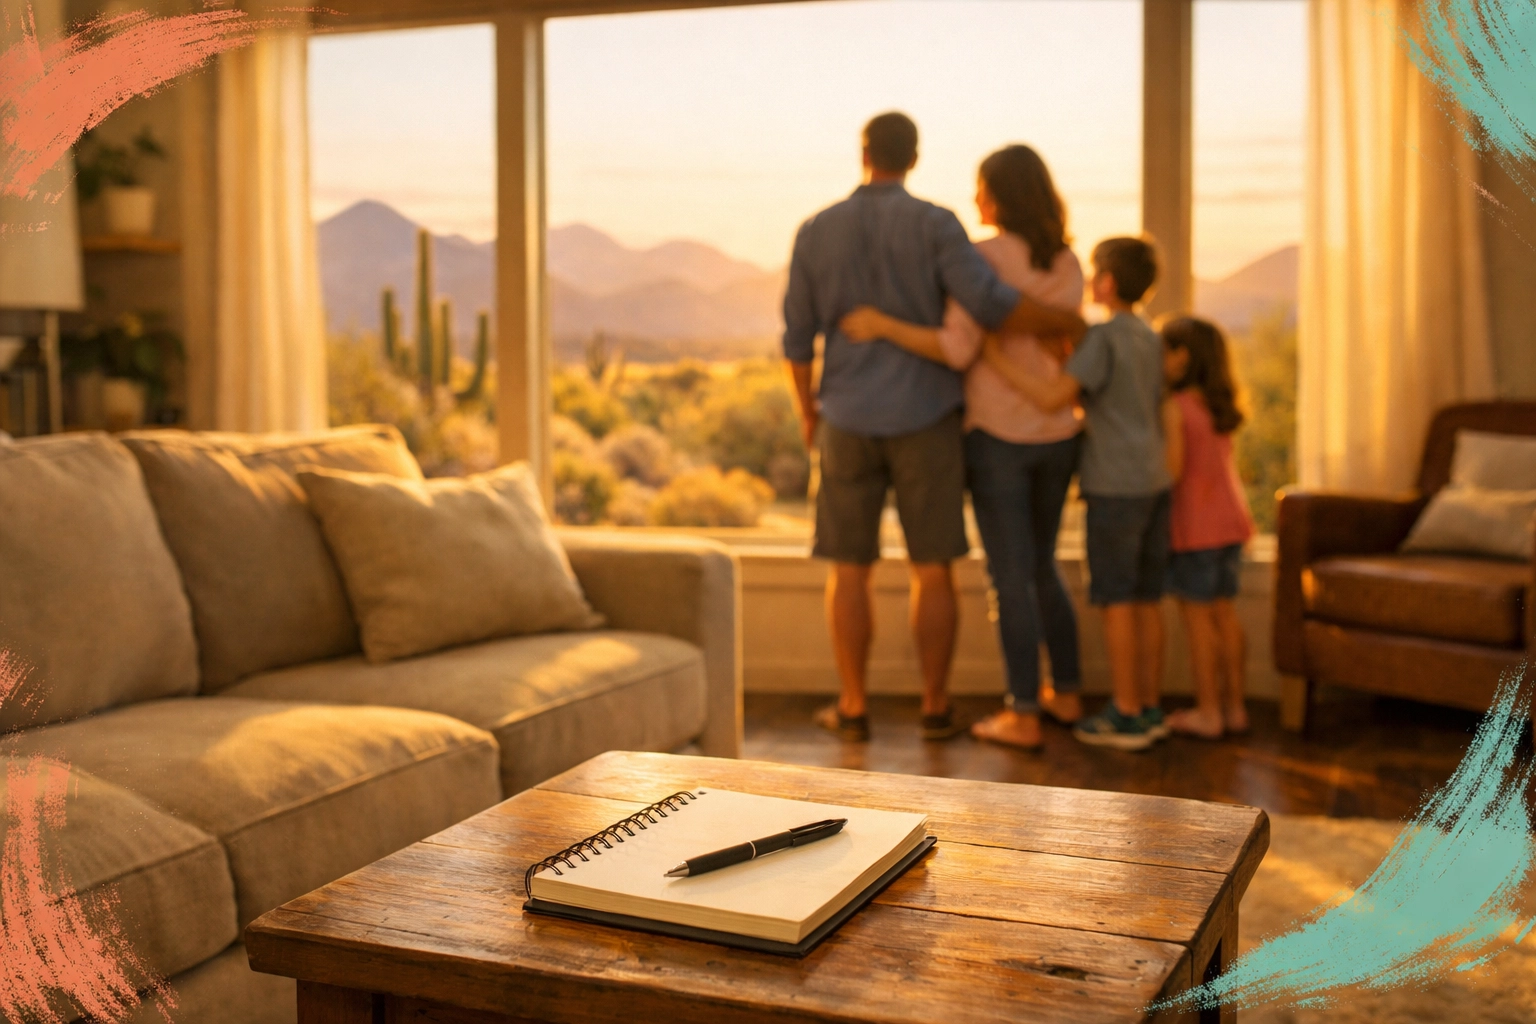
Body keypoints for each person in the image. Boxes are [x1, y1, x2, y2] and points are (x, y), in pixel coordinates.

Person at [782, 112, 1087, 743]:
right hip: (928, 419)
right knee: (933, 568)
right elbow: (990, 305)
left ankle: (853, 706)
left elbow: (796, 340)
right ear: (914, 157)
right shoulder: (939, 225)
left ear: (864, 153)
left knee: (849, 569)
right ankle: (935, 707)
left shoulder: (815, 230)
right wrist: (1069, 324)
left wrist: (810, 414)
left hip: (846, 418)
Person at [975, 236, 1170, 751]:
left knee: (1116, 599)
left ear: (1106, 282)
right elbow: (1112, 393)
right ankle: (1150, 708)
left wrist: (994, 357)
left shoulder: (1103, 337)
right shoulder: (1149, 336)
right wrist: (1063, 357)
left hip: (1114, 485)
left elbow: (1052, 398)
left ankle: (1125, 713)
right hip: (1153, 480)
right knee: (1147, 598)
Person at [1158, 317, 1254, 738]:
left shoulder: (1176, 407)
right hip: (1230, 523)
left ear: (1181, 357)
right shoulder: (1218, 406)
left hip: (1195, 528)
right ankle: (1235, 708)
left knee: (1197, 622)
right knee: (1224, 615)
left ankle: (1208, 712)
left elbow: (1173, 469)